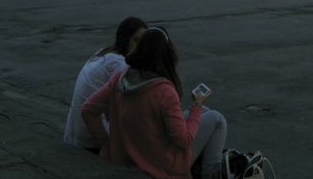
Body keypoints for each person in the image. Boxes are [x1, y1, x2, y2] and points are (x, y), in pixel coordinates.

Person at [82, 26, 227, 179]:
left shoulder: (120, 78)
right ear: (167, 55)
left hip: (129, 156)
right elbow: (182, 141)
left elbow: (88, 110)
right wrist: (196, 106)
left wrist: (109, 144)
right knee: (216, 119)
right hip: (162, 168)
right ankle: (211, 174)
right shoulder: (164, 92)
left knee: (204, 111)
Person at [64, 16, 148, 152]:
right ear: (125, 39)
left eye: (143, 42)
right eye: (135, 40)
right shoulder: (119, 65)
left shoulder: (104, 53)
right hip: (91, 139)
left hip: (74, 133)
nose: (140, 46)